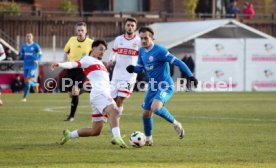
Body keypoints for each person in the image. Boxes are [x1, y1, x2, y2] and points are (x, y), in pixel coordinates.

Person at [126, 27, 198, 145]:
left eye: (146, 38)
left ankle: (176, 124)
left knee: (156, 107)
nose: (143, 41)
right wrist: (133, 68)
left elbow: (178, 62)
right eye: (141, 38)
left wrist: (190, 76)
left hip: (165, 85)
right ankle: (149, 139)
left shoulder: (160, 51)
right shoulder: (142, 51)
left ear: (152, 37)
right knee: (146, 113)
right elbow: (140, 69)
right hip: (152, 86)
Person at [51, 40, 127, 148]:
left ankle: (69, 135)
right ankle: (117, 137)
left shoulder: (101, 63)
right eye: (100, 49)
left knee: (95, 131)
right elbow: (73, 64)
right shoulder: (87, 59)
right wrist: (60, 64)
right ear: (93, 48)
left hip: (100, 95)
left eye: (104, 50)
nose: (103, 52)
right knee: (115, 111)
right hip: (100, 94)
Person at [107, 17, 140, 118]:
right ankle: (114, 119)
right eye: (128, 25)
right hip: (117, 73)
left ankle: (115, 121)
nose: (130, 27)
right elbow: (113, 51)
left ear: (135, 27)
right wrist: (110, 59)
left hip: (130, 75)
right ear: (125, 26)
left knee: (120, 99)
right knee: (113, 99)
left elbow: (142, 55)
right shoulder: (119, 39)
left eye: (132, 26)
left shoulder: (138, 41)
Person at [63, 22, 93, 122]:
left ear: (86, 31)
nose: (80, 32)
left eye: (82, 30)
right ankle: (83, 90)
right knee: (70, 94)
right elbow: (66, 52)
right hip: (71, 68)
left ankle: (71, 116)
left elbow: (94, 56)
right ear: (76, 31)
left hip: (82, 70)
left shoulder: (90, 42)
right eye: (79, 30)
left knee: (75, 91)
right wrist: (64, 64)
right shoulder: (71, 40)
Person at [20, 33, 42, 102]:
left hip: (33, 65)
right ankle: (35, 84)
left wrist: (37, 60)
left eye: (29, 36)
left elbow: (40, 54)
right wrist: (20, 56)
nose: (28, 37)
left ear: (32, 38)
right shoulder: (23, 46)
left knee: (27, 80)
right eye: (27, 36)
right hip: (25, 65)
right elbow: (22, 54)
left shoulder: (35, 46)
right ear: (25, 38)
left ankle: (24, 97)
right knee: (26, 81)